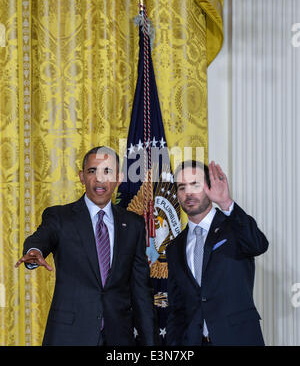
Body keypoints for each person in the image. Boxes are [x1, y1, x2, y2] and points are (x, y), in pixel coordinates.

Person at [15, 146, 158, 346]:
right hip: (69, 336)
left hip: (119, 337)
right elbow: (41, 237)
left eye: (107, 171)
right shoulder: (60, 217)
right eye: (92, 171)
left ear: (118, 178)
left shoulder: (133, 224)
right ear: (82, 177)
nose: (99, 179)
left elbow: (141, 291)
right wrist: (34, 252)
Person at [166, 160, 269, 346]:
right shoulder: (174, 247)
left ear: (209, 187)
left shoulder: (234, 227)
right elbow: (177, 308)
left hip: (237, 339)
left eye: (195, 185)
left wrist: (226, 203)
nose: (188, 193)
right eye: (182, 187)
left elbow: (258, 245)